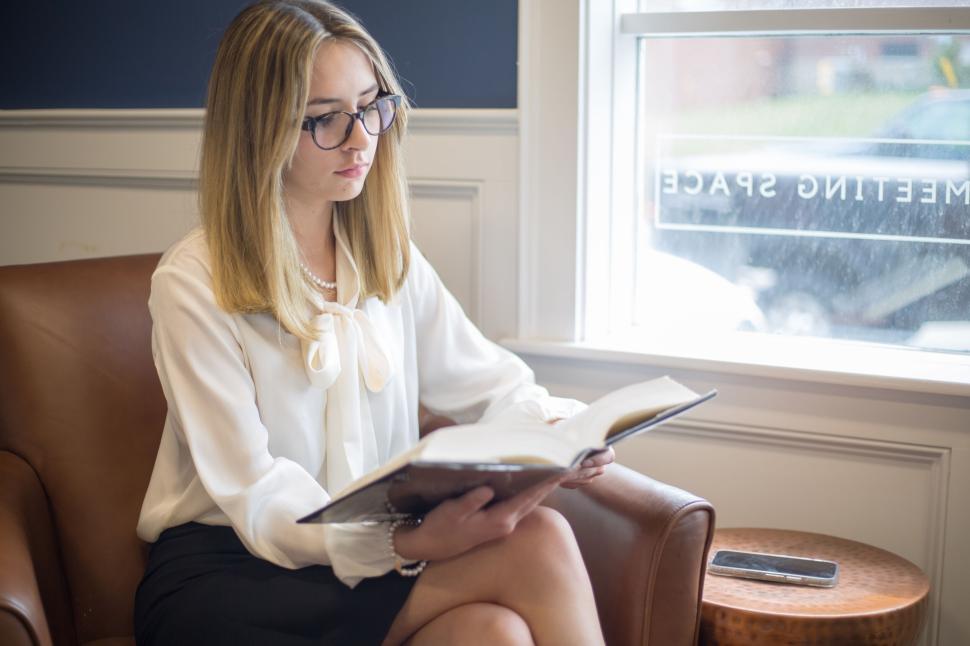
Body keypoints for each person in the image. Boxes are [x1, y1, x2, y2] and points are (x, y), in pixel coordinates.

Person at [133, 1, 614, 644]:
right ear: (259, 129)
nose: (361, 138)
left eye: (370, 107)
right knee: (541, 541)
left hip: (368, 557)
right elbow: (255, 493)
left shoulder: (388, 259)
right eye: (324, 119)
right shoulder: (193, 282)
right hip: (231, 574)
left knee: (492, 633)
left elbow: (491, 383)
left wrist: (561, 432)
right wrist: (403, 540)